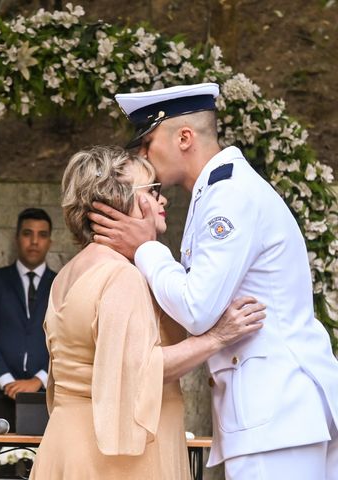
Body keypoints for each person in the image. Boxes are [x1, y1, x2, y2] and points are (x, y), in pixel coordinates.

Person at [88, 83, 338, 479]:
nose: (141, 155)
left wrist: (145, 248)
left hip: (276, 414)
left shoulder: (229, 195)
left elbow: (198, 309)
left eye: (147, 142)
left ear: (183, 137)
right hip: (277, 414)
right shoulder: (217, 191)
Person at [29, 146, 265, 480]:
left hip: (66, 443)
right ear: (116, 201)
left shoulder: (66, 275)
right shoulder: (121, 277)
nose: (162, 200)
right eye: (152, 191)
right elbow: (140, 372)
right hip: (114, 460)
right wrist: (217, 337)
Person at [0, 207, 56, 475]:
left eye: (42, 235)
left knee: (42, 471)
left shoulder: (61, 284)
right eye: (28, 233)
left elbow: (65, 339)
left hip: (45, 397)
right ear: (17, 237)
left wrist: (39, 380)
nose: (34, 241)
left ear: (49, 241)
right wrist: (7, 382)